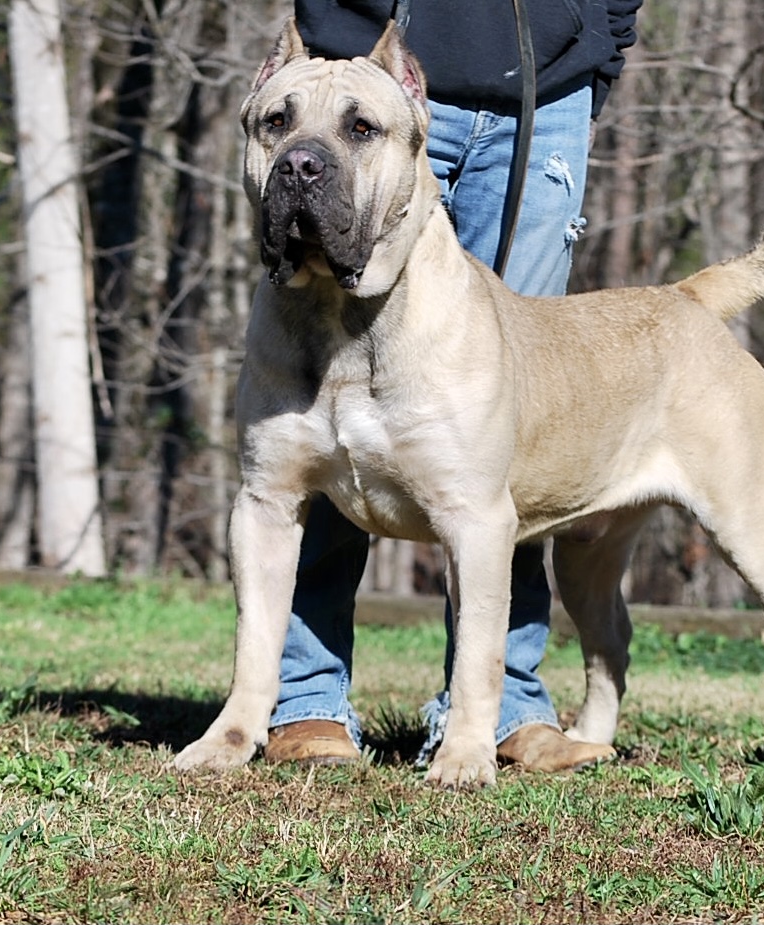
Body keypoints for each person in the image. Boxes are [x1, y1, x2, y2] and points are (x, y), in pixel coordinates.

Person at [263, 0, 642, 771]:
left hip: (541, 98)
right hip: (355, 83)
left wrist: (591, 47)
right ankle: (305, 698)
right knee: (325, 410)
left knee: (513, 434)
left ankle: (502, 704)